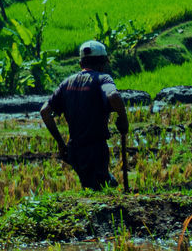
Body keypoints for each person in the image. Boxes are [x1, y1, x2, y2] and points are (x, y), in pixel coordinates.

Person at [40, 39, 129, 190]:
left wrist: (61, 143)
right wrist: (123, 120)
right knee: (100, 190)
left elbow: (45, 111)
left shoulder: (67, 83)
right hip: (95, 148)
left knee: (95, 185)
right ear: (103, 63)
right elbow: (113, 96)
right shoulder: (103, 78)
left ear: (81, 64)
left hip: (74, 149)